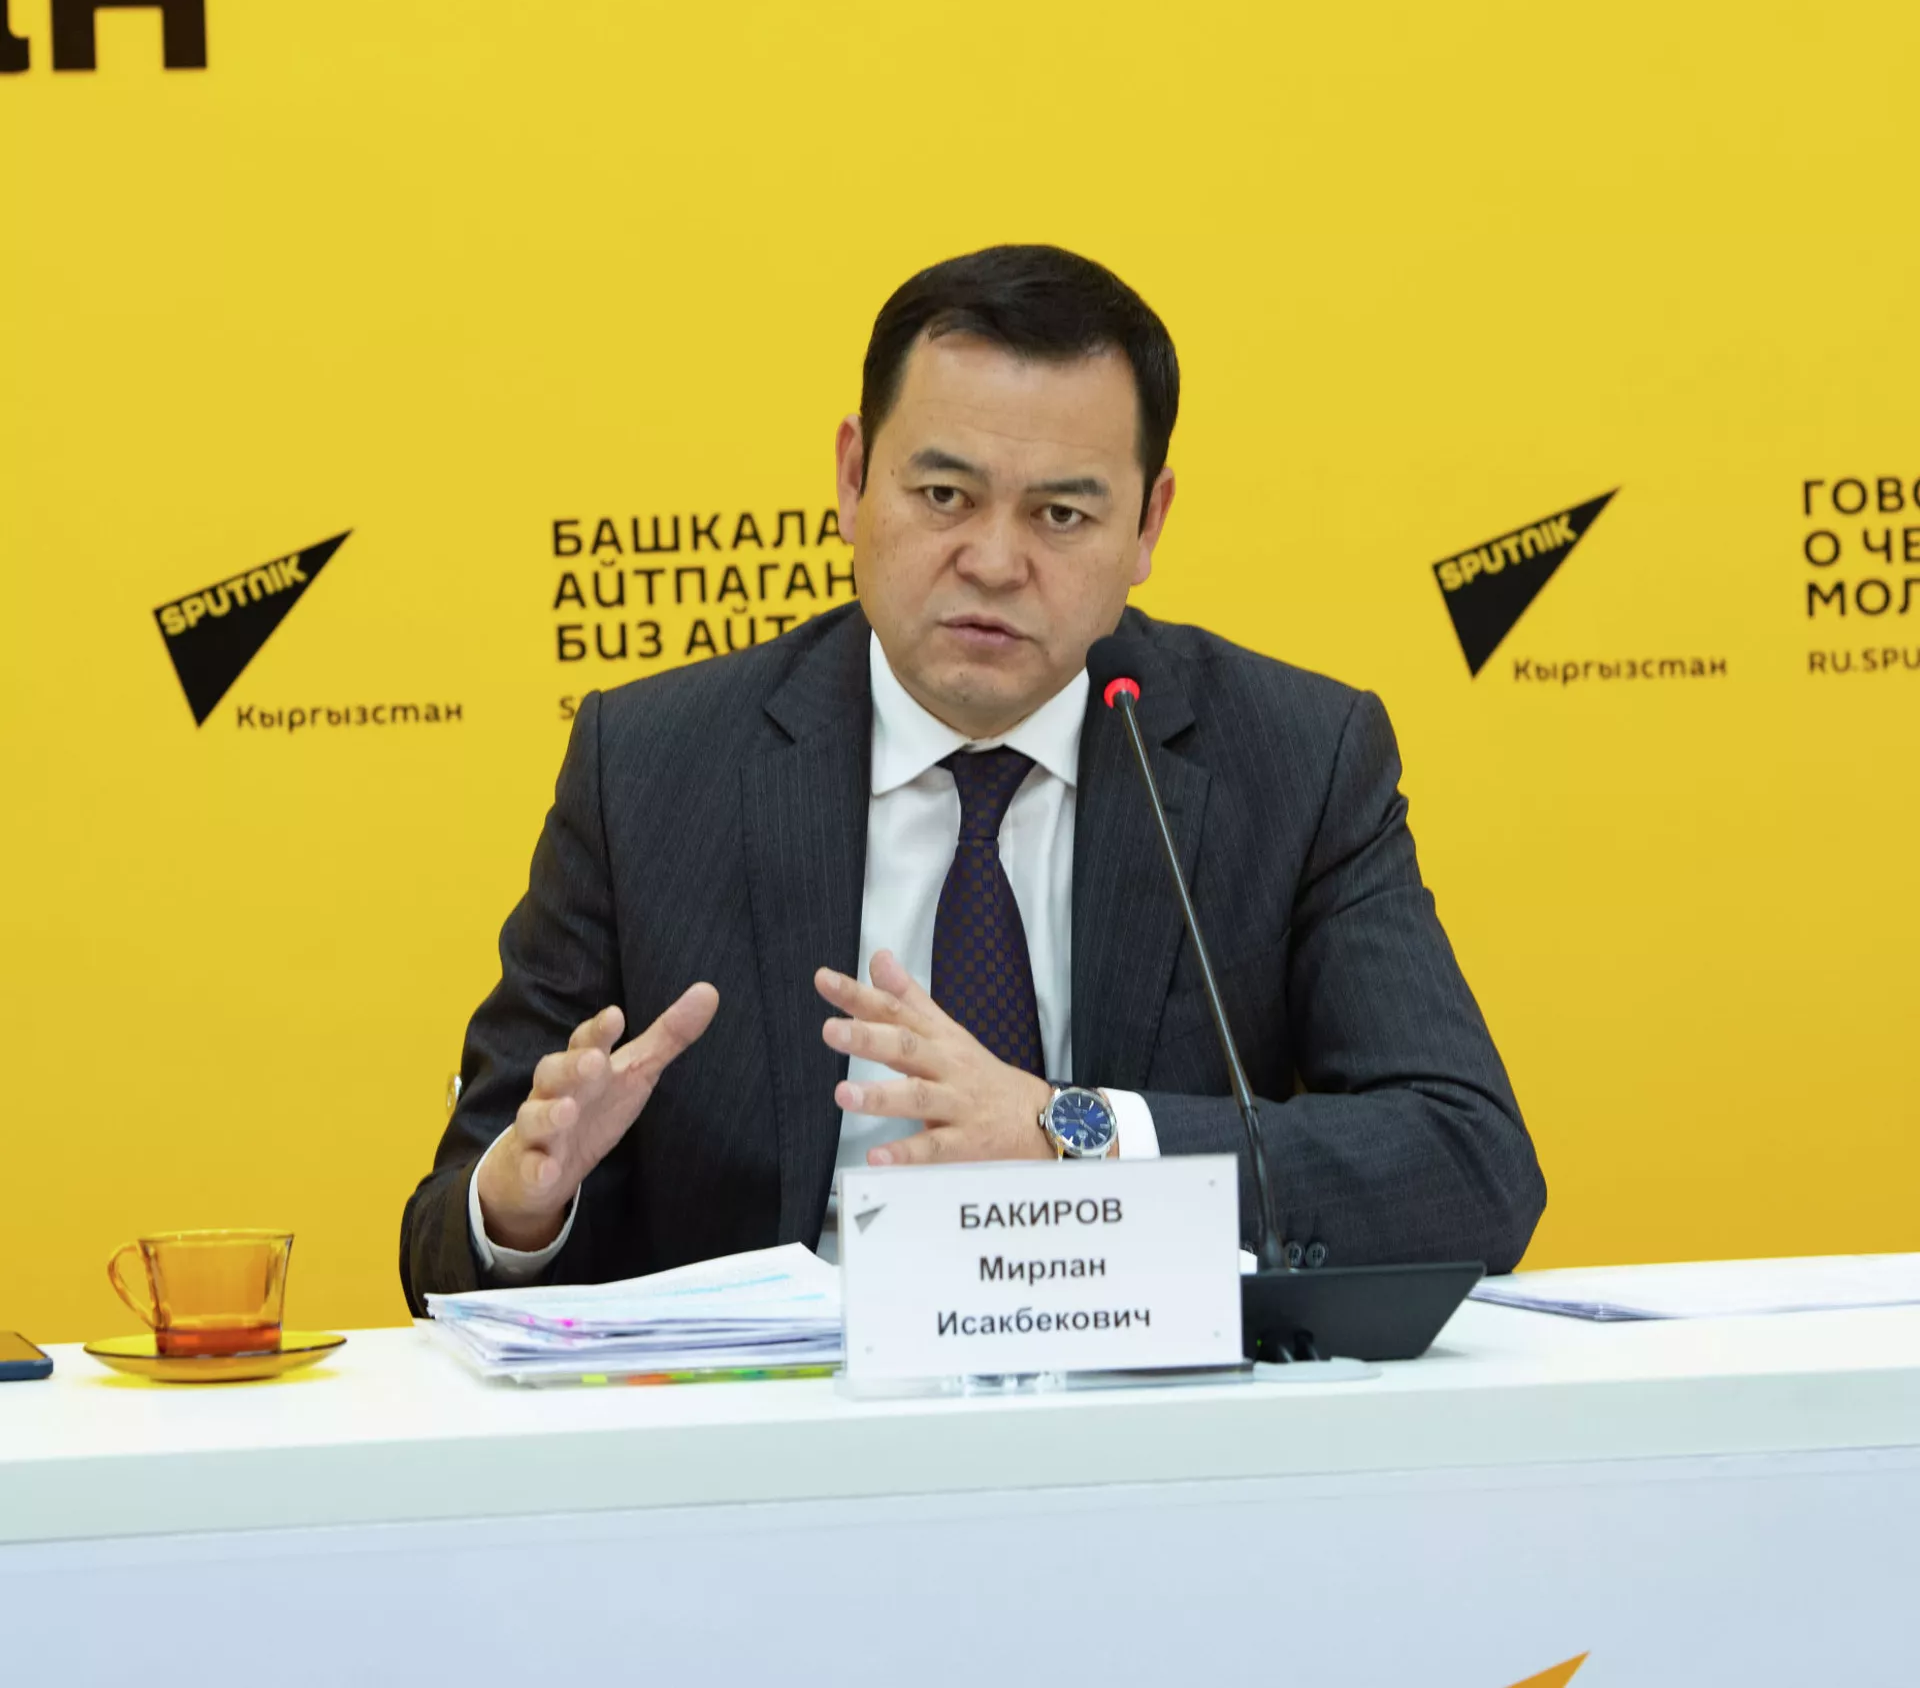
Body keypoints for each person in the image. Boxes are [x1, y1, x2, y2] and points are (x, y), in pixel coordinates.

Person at [399, 245, 1544, 1307]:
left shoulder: (1293, 759)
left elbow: (1470, 1166)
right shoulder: (654, 766)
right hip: (782, 1429)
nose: (995, 561)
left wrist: (1073, 1132)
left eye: (1062, 513)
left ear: (1148, 526)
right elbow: (450, 1232)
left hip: (1149, 1416)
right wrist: (525, 1205)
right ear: (852, 478)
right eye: (943, 495)